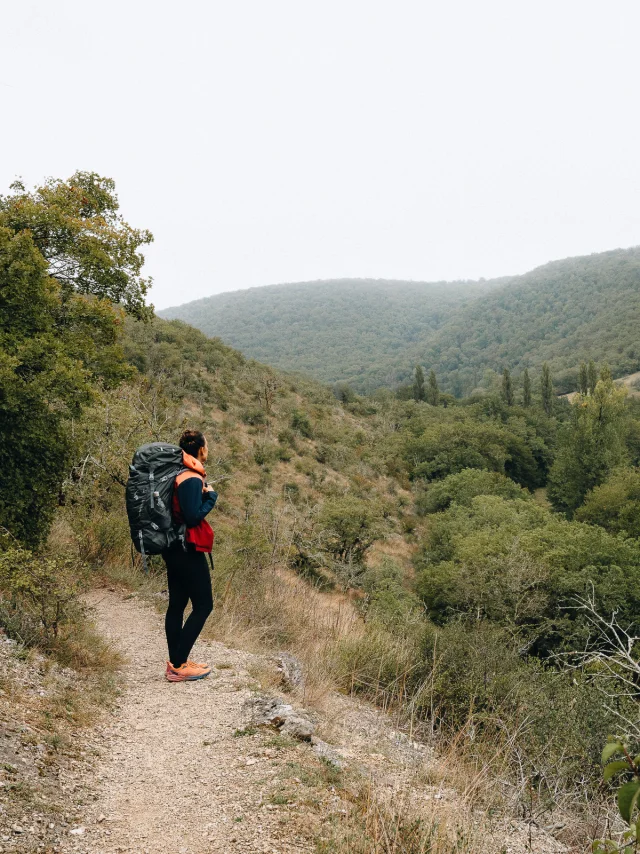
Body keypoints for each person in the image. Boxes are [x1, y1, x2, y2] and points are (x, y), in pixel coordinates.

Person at [163, 429, 217, 682]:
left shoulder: (176, 473)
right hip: (187, 549)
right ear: (201, 449)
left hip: (172, 546)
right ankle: (178, 665)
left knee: (177, 605)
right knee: (204, 605)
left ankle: (178, 662)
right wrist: (211, 499)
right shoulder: (191, 477)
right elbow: (193, 516)